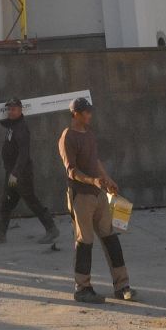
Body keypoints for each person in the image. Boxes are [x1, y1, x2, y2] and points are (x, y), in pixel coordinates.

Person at [58, 97, 134, 304]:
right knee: (84, 241)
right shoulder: (68, 137)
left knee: (111, 238)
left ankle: (122, 286)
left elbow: (95, 161)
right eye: (86, 112)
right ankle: (82, 288)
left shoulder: (89, 134)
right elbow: (71, 171)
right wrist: (92, 180)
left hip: (99, 194)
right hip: (80, 196)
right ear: (76, 114)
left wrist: (108, 180)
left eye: (89, 111)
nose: (89, 115)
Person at [0, 98, 59, 245]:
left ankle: (51, 229)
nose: (10, 112)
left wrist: (15, 173)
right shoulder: (13, 125)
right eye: (9, 109)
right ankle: (0, 234)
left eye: (13, 109)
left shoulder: (21, 129)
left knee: (32, 201)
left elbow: (24, 154)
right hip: (12, 173)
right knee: (5, 203)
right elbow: (4, 123)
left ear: (20, 110)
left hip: (21, 174)